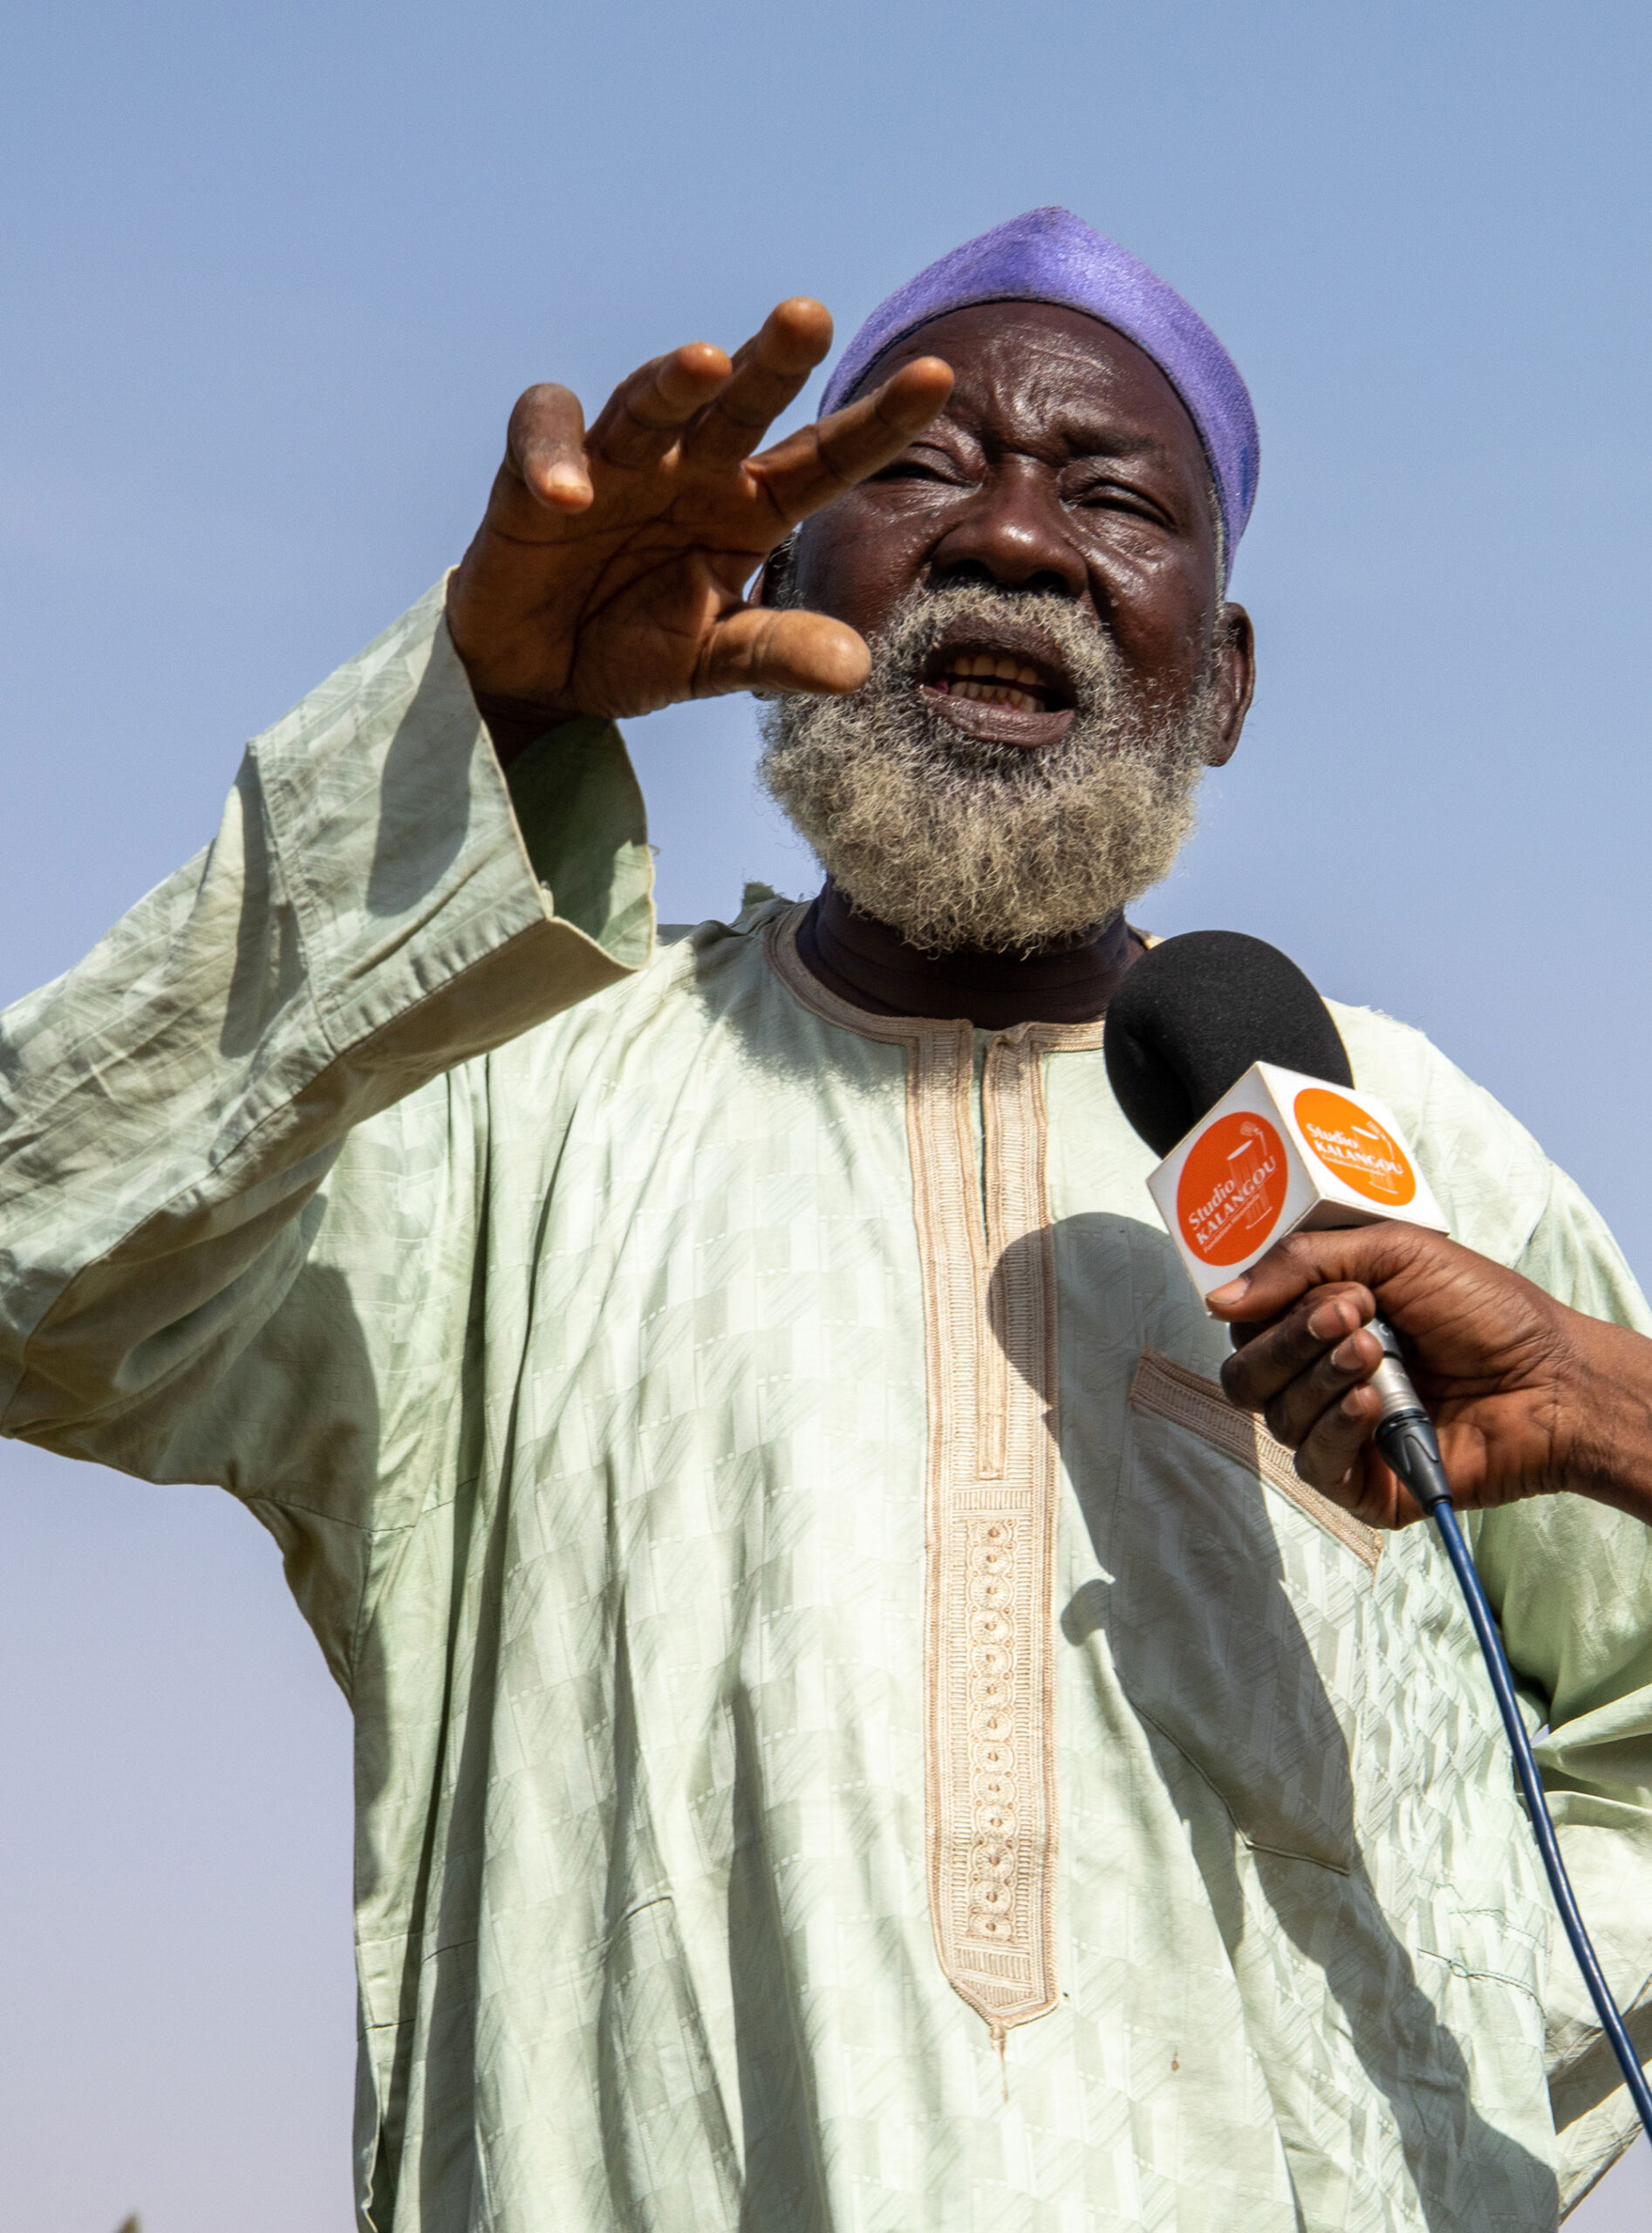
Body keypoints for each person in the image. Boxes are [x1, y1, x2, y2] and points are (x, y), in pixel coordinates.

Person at [1, 207, 1648, 2232]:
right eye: (921, 471)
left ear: (1216, 684)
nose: (1014, 542)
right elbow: (41, 1274)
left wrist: (1428, 2096)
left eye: (1112, 497)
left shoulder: (1405, 1148)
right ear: (776, 575)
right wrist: (477, 727)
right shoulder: (507, 1103)